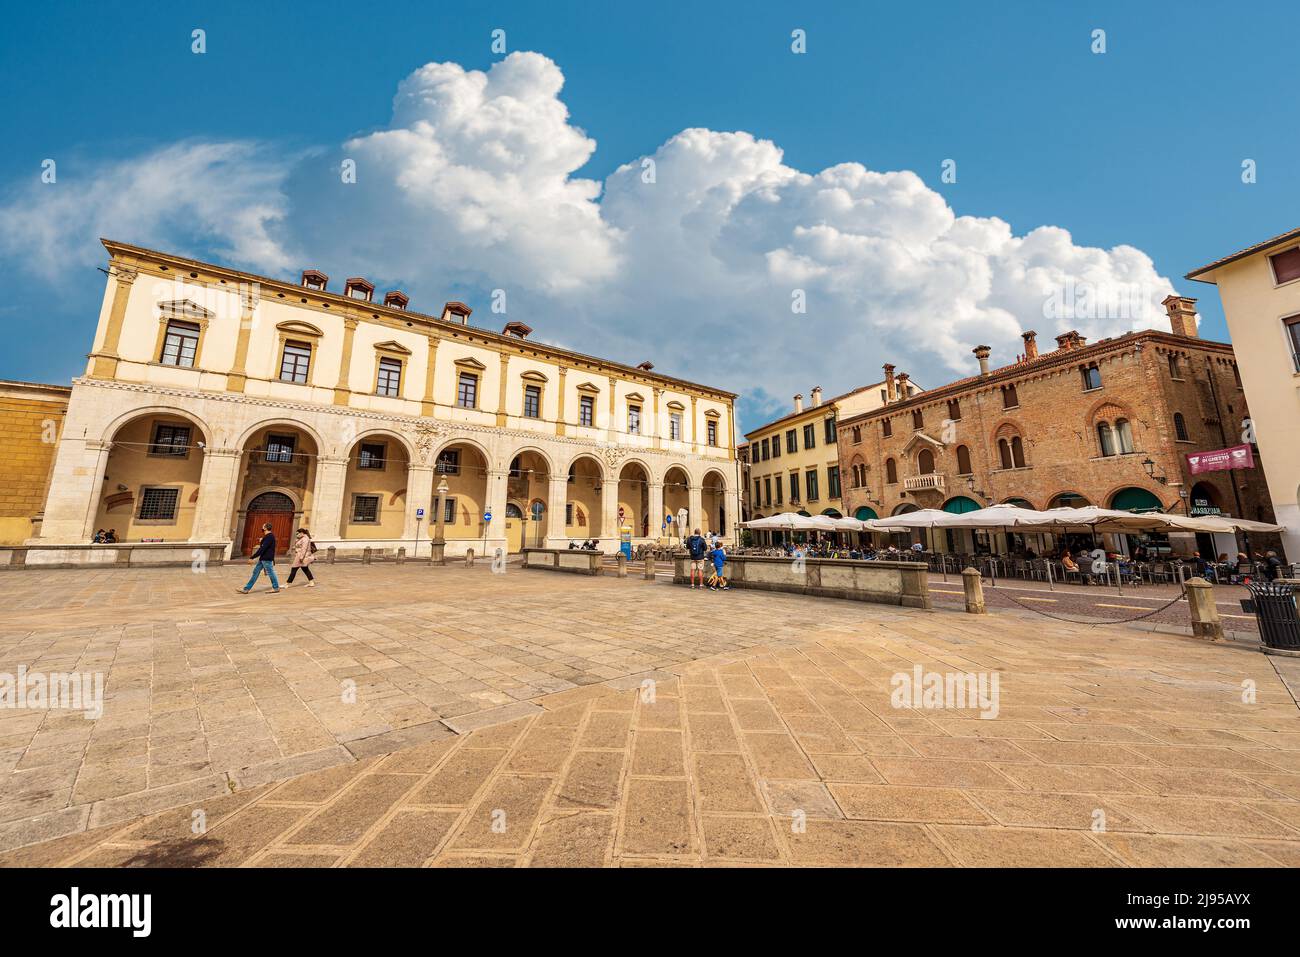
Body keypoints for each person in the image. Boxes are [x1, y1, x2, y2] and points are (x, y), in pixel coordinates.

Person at [239, 522, 281, 594]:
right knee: (255, 572)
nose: (262, 527)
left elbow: (262, 549)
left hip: (266, 559)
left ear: (265, 528)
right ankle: (246, 589)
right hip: (263, 559)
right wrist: (262, 541)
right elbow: (266, 547)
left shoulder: (269, 537)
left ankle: (276, 587)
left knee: (271, 573)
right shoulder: (267, 537)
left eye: (263, 526)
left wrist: (252, 557)